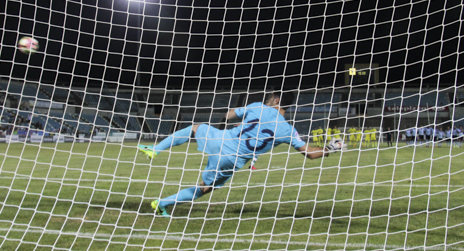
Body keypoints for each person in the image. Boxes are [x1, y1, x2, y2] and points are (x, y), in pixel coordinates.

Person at [137, 91, 339, 217]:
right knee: (205, 188)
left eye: (269, 98)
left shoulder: (258, 107)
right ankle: (162, 204)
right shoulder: (287, 130)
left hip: (222, 139)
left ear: (276, 99)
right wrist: (329, 149)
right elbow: (309, 153)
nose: (267, 100)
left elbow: (229, 114)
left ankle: (155, 149)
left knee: (195, 128)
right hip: (231, 159)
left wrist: (241, 120)